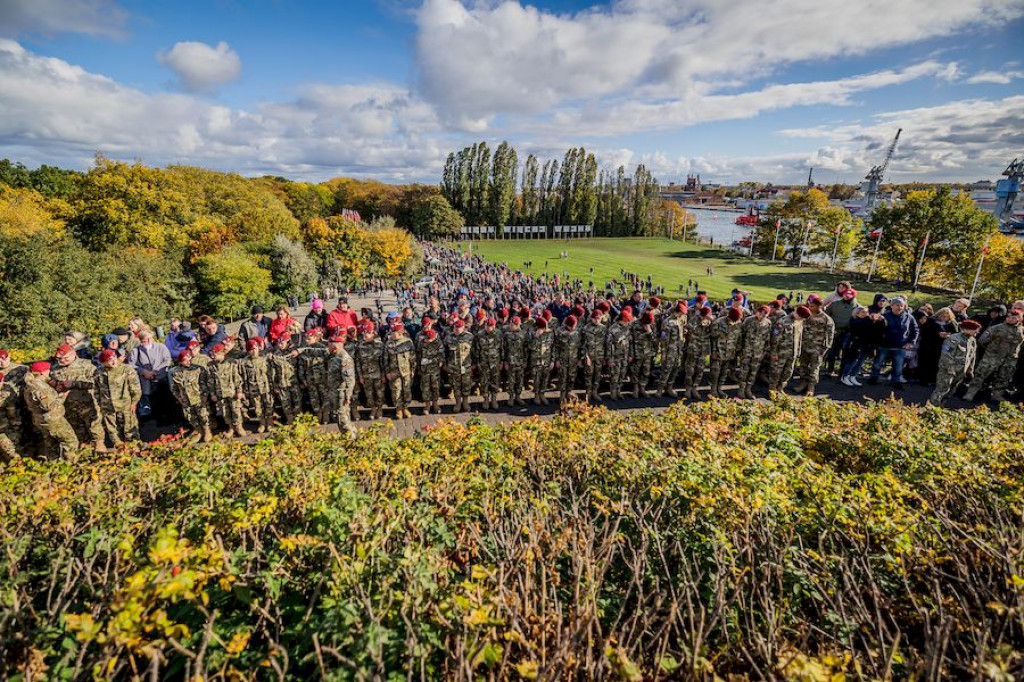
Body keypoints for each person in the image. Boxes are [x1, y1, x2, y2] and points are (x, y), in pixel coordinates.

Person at [50, 344, 106, 452]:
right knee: (78, 433)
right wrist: (56, 386)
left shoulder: (87, 365)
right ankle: (85, 454)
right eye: (59, 358)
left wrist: (75, 384)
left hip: (88, 405)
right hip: (68, 407)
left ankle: (101, 452)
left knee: (95, 430)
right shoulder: (54, 369)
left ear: (73, 354)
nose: (62, 360)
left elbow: (96, 383)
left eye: (65, 358)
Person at [963, 308, 1023, 402]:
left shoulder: (1021, 330)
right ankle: (970, 393)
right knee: (981, 374)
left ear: (1019, 319)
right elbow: (982, 340)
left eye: (1014, 318)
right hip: (992, 356)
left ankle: (997, 395)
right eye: (1009, 317)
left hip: (1010, 359)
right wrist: (991, 350)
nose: (1010, 319)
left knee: (1003, 377)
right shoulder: (996, 328)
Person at [22, 362, 79, 457]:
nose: (49, 372)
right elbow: (48, 406)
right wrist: (62, 396)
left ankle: (54, 465)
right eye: (47, 370)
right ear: (42, 373)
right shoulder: (39, 387)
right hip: (53, 419)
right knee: (70, 442)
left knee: (52, 444)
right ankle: (71, 464)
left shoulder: (30, 385)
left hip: (41, 420)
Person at [868, 296, 918, 390]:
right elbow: (876, 330)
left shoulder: (909, 317)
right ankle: (873, 378)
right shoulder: (885, 315)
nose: (899, 307)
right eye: (897, 305)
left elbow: (915, 330)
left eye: (901, 305)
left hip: (900, 346)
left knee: (898, 366)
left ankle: (896, 382)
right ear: (892, 306)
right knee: (878, 363)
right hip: (884, 345)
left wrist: (911, 342)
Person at [94, 349, 142, 446]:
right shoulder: (99, 372)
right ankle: (119, 450)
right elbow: (96, 390)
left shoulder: (127, 369)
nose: (113, 361)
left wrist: (134, 402)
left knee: (130, 429)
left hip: (125, 405)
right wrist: (99, 405)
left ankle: (135, 449)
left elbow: (135, 388)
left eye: (114, 358)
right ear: (103, 362)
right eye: (108, 360)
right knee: (113, 431)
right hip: (108, 407)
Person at [928, 320, 981, 406]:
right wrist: (950, 368)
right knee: (942, 389)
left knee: (952, 390)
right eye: (975, 329)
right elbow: (946, 354)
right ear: (967, 329)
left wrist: (970, 371)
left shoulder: (972, 341)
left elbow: (972, 356)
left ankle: (941, 406)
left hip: (961, 371)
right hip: (948, 370)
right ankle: (932, 407)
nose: (977, 332)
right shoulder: (953, 339)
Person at [794, 295, 836, 397]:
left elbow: (830, 335)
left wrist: (825, 348)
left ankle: (811, 386)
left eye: (812, 306)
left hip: (817, 348)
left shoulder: (826, 319)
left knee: (814, 367)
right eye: (810, 305)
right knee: (803, 366)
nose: (810, 307)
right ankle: (803, 382)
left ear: (819, 307)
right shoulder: (806, 316)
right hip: (804, 345)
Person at [168, 349, 212, 442]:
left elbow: (205, 383)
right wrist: (178, 397)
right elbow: (174, 388)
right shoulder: (176, 372)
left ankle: (207, 431)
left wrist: (205, 395)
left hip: (198, 397)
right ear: (180, 361)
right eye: (185, 360)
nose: (188, 361)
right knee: (191, 416)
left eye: (189, 358)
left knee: (203, 415)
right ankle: (199, 431)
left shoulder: (198, 369)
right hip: (185, 399)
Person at [203, 344, 247, 437]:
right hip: (220, 394)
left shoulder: (231, 363)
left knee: (236, 410)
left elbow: (237, 378)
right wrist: (212, 394)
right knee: (225, 412)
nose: (213, 356)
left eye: (215, 354)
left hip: (232, 393)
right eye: (212, 354)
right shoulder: (211, 366)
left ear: (222, 353)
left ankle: (239, 427)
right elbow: (210, 382)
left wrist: (239, 391)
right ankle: (231, 428)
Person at [126, 330, 171, 418]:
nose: (149, 341)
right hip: (145, 380)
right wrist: (143, 371)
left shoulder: (161, 347)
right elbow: (131, 365)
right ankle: (152, 418)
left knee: (163, 399)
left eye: (150, 339)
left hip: (160, 377)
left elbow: (167, 360)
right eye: (145, 340)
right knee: (149, 399)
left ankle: (166, 417)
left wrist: (155, 371)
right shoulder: (136, 351)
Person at [768, 306, 808, 396]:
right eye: (800, 317)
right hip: (781, 353)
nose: (801, 319)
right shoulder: (782, 322)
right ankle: (772, 390)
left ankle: (780, 388)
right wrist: (773, 352)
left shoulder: (799, 322)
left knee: (788, 372)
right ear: (796, 313)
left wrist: (798, 351)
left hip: (792, 353)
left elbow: (799, 337)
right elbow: (774, 339)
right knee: (776, 372)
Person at [239, 338, 274, 433]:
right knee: (258, 407)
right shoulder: (244, 362)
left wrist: (273, 385)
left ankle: (270, 422)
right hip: (253, 388)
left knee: (269, 404)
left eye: (255, 348)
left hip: (265, 387)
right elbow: (243, 377)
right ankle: (262, 423)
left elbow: (270, 373)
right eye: (251, 349)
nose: (253, 351)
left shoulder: (264, 359)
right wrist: (245, 390)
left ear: (258, 348)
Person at [736, 305, 772, 399]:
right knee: (744, 371)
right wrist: (740, 350)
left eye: (764, 315)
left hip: (758, 352)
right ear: (757, 312)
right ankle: (741, 390)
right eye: (760, 313)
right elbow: (741, 335)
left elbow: (768, 339)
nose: (761, 316)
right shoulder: (748, 321)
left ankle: (748, 389)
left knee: (753, 372)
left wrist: (764, 352)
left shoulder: (768, 323)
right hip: (746, 351)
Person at [916, 307, 959, 386]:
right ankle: (924, 380)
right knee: (926, 362)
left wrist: (948, 335)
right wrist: (937, 334)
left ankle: (935, 380)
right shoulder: (931, 321)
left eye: (946, 316)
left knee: (939, 363)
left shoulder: (952, 323)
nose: (944, 318)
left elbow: (956, 334)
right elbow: (924, 332)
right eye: (942, 316)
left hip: (944, 346)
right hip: (929, 346)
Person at [708, 307, 744, 399]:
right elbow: (712, 338)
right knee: (715, 372)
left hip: (730, 352)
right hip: (718, 352)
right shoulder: (718, 322)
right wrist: (713, 351)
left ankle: (719, 388)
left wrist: (737, 350)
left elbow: (739, 338)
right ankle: (713, 389)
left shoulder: (738, 323)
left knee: (724, 372)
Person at [298, 327, 330, 423]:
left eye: (309, 339)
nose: (307, 341)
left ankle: (325, 414)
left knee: (324, 396)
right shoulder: (304, 350)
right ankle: (318, 414)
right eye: (306, 339)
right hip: (310, 379)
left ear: (315, 338)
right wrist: (303, 379)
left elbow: (328, 364)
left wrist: (328, 377)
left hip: (322, 378)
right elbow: (301, 366)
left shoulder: (322, 349)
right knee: (313, 397)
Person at [384, 322, 416, 419]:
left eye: (394, 332)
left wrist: (413, 370)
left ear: (400, 333)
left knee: (407, 390)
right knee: (396, 391)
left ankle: (405, 408)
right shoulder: (388, 343)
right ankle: (398, 409)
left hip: (406, 371)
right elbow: (385, 360)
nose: (391, 334)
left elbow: (413, 357)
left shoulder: (408, 342)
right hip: (394, 372)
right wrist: (387, 373)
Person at [355, 322, 386, 420]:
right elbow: (358, 362)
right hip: (366, 375)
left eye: (367, 332)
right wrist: (360, 376)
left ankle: (380, 409)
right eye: (364, 332)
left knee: (379, 393)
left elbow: (384, 362)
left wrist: (384, 375)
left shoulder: (380, 345)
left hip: (378, 375)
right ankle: (373, 409)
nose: (365, 334)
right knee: (369, 394)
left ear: (373, 333)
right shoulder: (360, 345)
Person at [268, 335, 301, 425]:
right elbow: (273, 371)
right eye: (278, 343)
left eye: (282, 343)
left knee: (297, 400)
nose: (280, 345)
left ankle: (299, 419)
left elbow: (300, 366)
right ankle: (289, 419)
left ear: (287, 342)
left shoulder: (294, 351)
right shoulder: (275, 354)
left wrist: (302, 380)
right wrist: (275, 385)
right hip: (282, 383)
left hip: (293, 382)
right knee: (285, 402)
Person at [327, 338, 357, 435]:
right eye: (330, 343)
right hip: (335, 391)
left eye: (333, 344)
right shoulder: (334, 355)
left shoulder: (344, 359)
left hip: (341, 393)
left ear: (340, 344)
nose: (330, 346)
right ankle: (351, 434)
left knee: (341, 417)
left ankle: (350, 437)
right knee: (343, 416)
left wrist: (348, 396)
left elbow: (350, 380)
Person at [683, 306, 713, 400]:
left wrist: (711, 322)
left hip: (703, 350)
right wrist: (702, 322)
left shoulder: (710, 322)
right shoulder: (694, 320)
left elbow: (714, 332)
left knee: (700, 370)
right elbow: (690, 329)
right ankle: (688, 389)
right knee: (690, 370)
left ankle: (695, 388)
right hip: (693, 348)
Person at [473, 318, 503, 410]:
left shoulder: (499, 334)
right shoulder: (479, 335)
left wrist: (502, 361)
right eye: (486, 325)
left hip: (495, 362)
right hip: (484, 362)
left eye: (489, 326)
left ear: (493, 326)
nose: (487, 327)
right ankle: (485, 399)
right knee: (484, 382)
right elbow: (476, 349)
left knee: (495, 381)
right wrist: (477, 362)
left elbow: (502, 349)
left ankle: (494, 399)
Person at [447, 319, 475, 412]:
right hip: (454, 367)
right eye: (456, 327)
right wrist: (445, 364)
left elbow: (475, 351)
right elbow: (444, 352)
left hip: (466, 366)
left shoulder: (470, 337)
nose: (457, 329)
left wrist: (474, 363)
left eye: (459, 328)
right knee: (456, 386)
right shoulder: (449, 337)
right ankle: (458, 403)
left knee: (466, 385)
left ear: (463, 328)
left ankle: (466, 402)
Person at [417, 328, 445, 415]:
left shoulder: (438, 343)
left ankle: (435, 404)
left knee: (435, 387)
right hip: (424, 370)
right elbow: (418, 355)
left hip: (434, 370)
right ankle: (427, 405)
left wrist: (437, 362)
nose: (428, 340)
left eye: (430, 339)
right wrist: (418, 367)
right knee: (425, 388)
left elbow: (441, 355)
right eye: (427, 339)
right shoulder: (421, 343)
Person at [502, 316, 529, 407]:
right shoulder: (506, 335)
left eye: (512, 324)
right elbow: (504, 349)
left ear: (517, 325)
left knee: (519, 380)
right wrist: (505, 361)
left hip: (520, 362)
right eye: (510, 324)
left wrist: (525, 361)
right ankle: (510, 397)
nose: (510, 325)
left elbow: (526, 349)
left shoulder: (523, 334)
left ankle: (518, 396)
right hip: (510, 362)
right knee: (511, 380)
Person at [582, 309, 608, 402]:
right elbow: (583, 344)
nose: (596, 320)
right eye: (595, 318)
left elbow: (607, 344)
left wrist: (606, 357)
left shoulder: (604, 329)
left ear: (601, 318)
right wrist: (585, 356)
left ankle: (595, 392)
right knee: (588, 374)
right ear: (592, 318)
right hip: (589, 356)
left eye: (598, 318)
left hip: (600, 356)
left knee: (598, 374)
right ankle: (588, 392)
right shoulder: (586, 328)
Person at [529, 317, 555, 405]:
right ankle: (536, 395)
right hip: (536, 361)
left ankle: (542, 394)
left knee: (545, 378)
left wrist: (552, 360)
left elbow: (553, 347)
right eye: (543, 327)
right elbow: (530, 347)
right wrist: (536, 337)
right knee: (536, 379)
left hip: (547, 360)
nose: (545, 329)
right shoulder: (532, 333)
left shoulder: (550, 333)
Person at [0, 370, 24, 461]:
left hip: (7, 424)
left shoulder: (7, 390)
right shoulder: (7, 389)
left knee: (10, 446)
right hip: (7, 423)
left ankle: (17, 462)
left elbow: (12, 409)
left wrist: (15, 423)